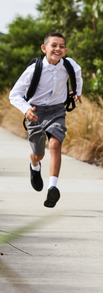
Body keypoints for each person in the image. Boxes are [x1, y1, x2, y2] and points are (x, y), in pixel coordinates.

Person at [9, 32, 83, 208]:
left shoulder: (69, 65)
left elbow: (78, 75)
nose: (58, 49)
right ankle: (35, 165)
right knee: (39, 154)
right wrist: (26, 109)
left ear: (65, 50)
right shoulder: (34, 69)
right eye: (54, 45)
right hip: (34, 111)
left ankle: (52, 188)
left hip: (57, 110)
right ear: (44, 48)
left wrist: (77, 92)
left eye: (62, 46)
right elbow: (14, 94)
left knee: (55, 144)